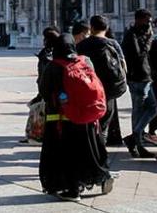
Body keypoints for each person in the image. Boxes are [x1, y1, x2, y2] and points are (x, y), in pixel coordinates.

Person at [39, 34, 113, 201]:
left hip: (61, 119)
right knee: (90, 150)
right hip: (88, 118)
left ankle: (73, 189)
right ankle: (102, 176)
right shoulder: (85, 61)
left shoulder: (53, 66)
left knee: (66, 154)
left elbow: (44, 91)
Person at [76, 15, 126, 143]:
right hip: (109, 90)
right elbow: (123, 66)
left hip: (89, 88)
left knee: (90, 121)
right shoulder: (113, 43)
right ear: (107, 28)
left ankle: (91, 148)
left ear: (91, 28)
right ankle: (101, 149)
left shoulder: (82, 45)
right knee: (104, 125)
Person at [121, 9, 157, 158]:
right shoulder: (131, 35)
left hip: (145, 77)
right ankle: (137, 143)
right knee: (139, 110)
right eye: (147, 20)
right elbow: (139, 55)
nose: (149, 24)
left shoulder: (139, 34)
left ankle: (134, 138)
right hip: (138, 78)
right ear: (139, 19)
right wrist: (149, 40)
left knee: (153, 108)